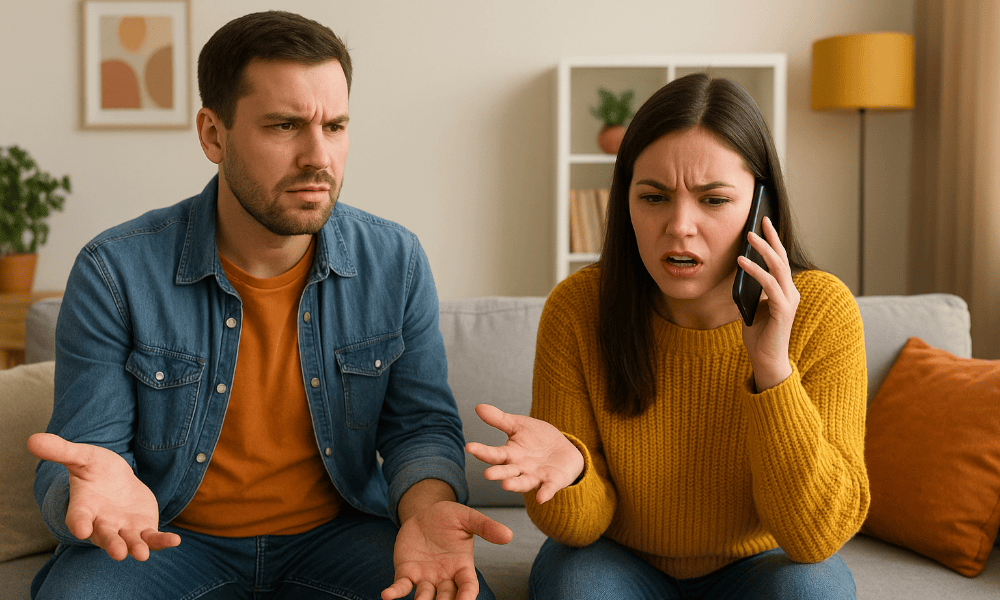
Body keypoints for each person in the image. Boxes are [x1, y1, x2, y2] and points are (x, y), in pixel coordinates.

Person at [29, 11, 511, 600]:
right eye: (285, 126)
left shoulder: (396, 261)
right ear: (213, 134)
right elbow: (84, 452)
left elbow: (420, 427)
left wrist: (427, 508)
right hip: (169, 538)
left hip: (337, 534)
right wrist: (89, 494)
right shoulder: (116, 270)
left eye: (334, 126)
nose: (318, 157)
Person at [467, 73, 869, 599]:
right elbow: (576, 527)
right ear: (625, 201)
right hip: (618, 555)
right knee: (578, 587)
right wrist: (572, 474)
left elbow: (815, 537)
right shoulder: (578, 308)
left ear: (761, 205)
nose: (680, 225)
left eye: (714, 200)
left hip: (762, 560)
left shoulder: (823, 311)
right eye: (653, 198)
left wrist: (773, 372)